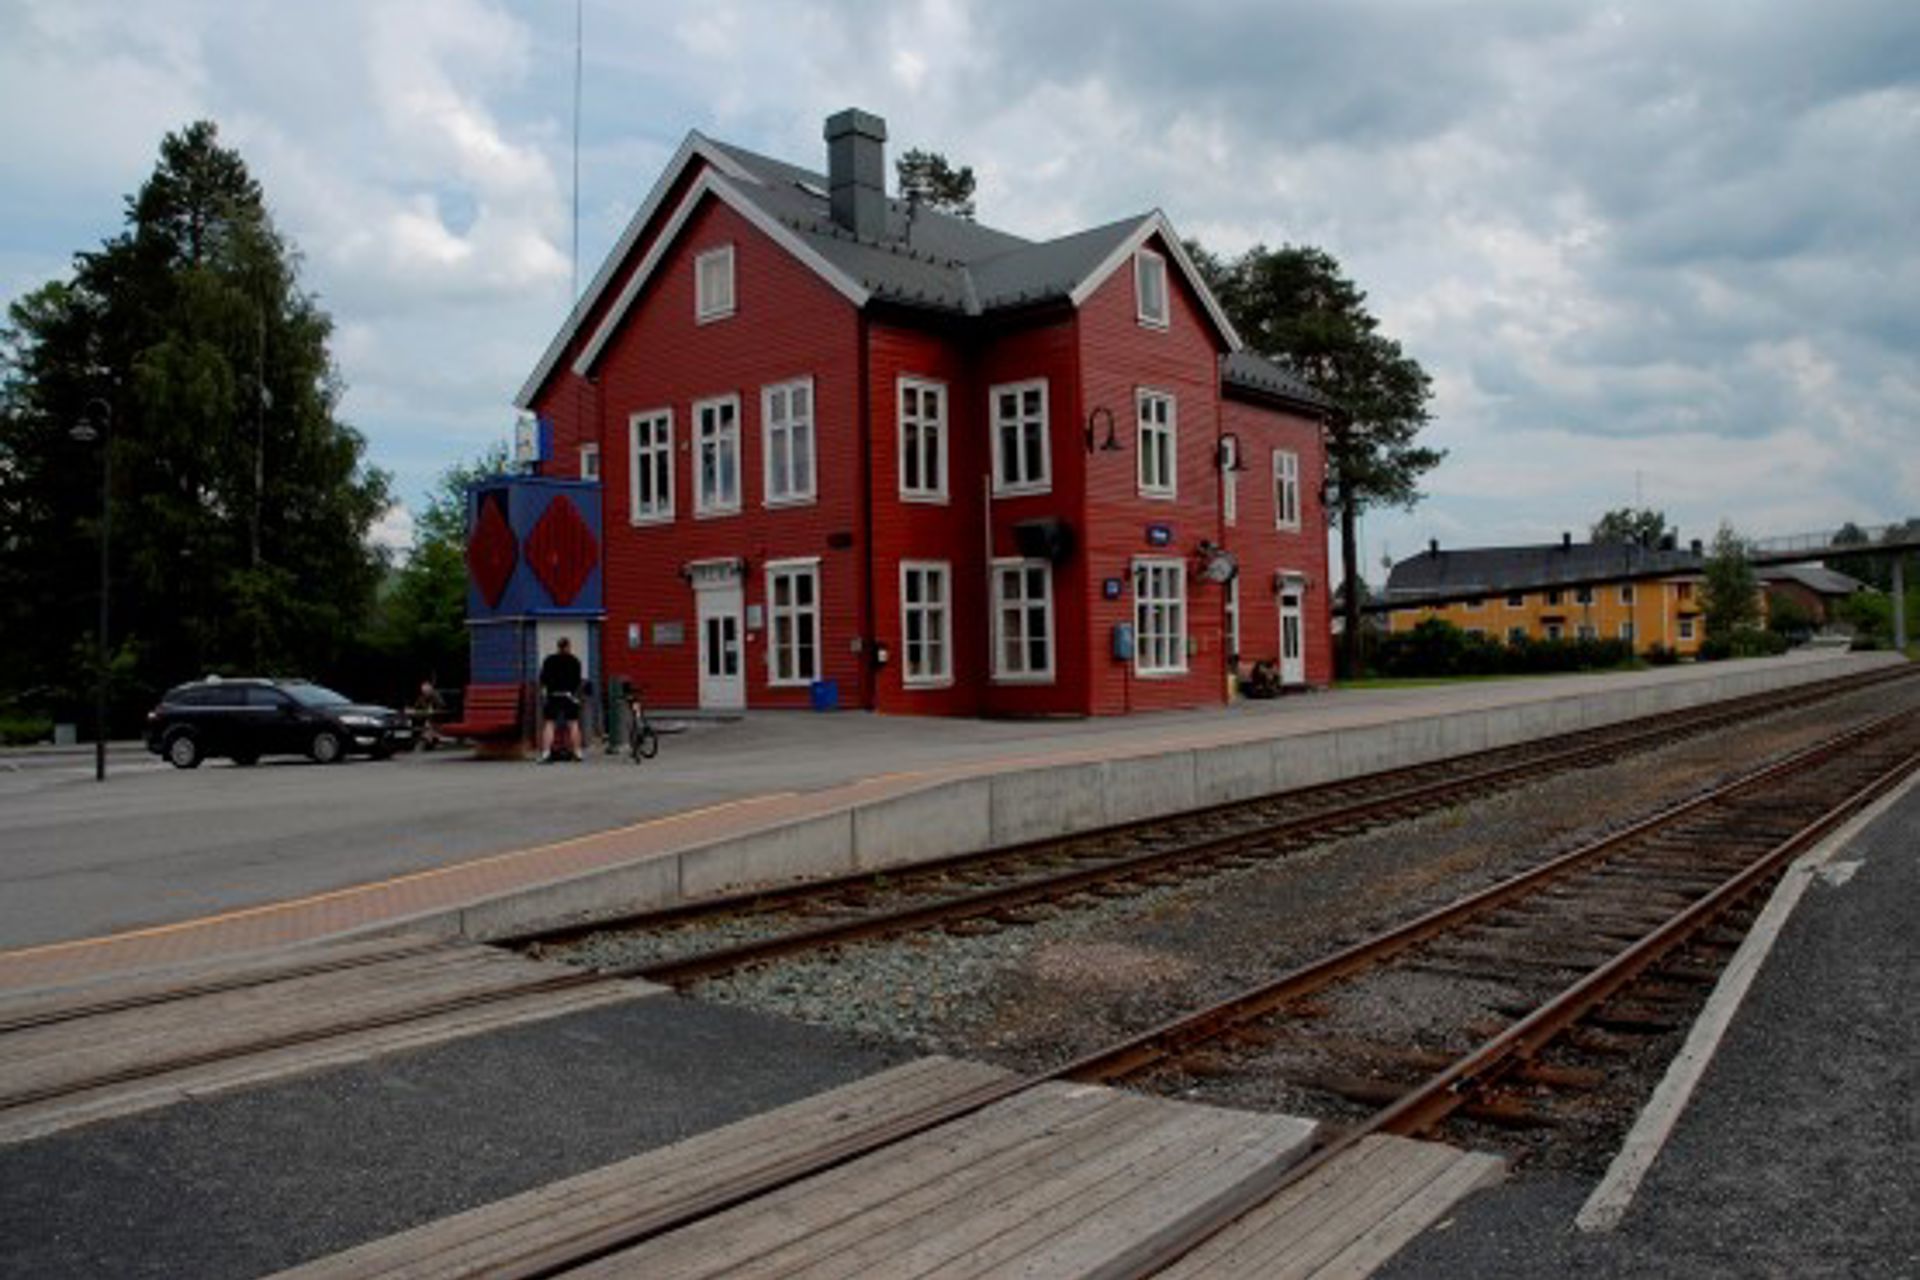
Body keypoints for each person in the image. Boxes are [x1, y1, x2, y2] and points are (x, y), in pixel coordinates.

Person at [538, 637, 585, 762]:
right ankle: (577, 752)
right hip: (568, 695)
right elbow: (577, 681)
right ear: (568, 646)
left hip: (553, 695)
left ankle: (546, 753)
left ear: (558, 647)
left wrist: (547, 690)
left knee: (549, 724)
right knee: (573, 724)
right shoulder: (575, 661)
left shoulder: (549, 660)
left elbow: (543, 679)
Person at [410, 679, 446, 750]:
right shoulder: (422, 698)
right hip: (425, 718)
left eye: (426, 690)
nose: (425, 692)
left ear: (430, 689)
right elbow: (416, 706)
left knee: (429, 725)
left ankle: (429, 739)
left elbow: (441, 706)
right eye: (423, 691)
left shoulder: (436, 696)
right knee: (422, 724)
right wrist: (413, 710)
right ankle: (427, 740)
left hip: (436, 719)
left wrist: (434, 710)